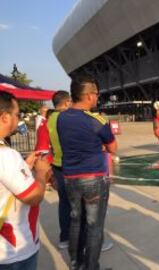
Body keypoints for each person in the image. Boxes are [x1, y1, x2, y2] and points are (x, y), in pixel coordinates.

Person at [57, 76, 117, 270]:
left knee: (76, 220)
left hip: (70, 177)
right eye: (97, 94)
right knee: (94, 225)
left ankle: (76, 263)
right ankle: (91, 267)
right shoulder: (96, 120)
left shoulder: (61, 117)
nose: (97, 98)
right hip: (93, 177)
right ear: (90, 96)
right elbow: (113, 147)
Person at [0, 91, 50, 269]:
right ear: (5, 117)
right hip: (13, 249)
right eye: (16, 114)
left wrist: (24, 167)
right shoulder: (6, 155)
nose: (18, 118)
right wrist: (41, 174)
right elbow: (33, 197)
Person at [47, 90, 72, 249]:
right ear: (66, 102)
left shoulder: (49, 119)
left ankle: (65, 238)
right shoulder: (65, 118)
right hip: (70, 166)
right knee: (80, 204)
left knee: (64, 203)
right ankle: (89, 240)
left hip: (57, 166)